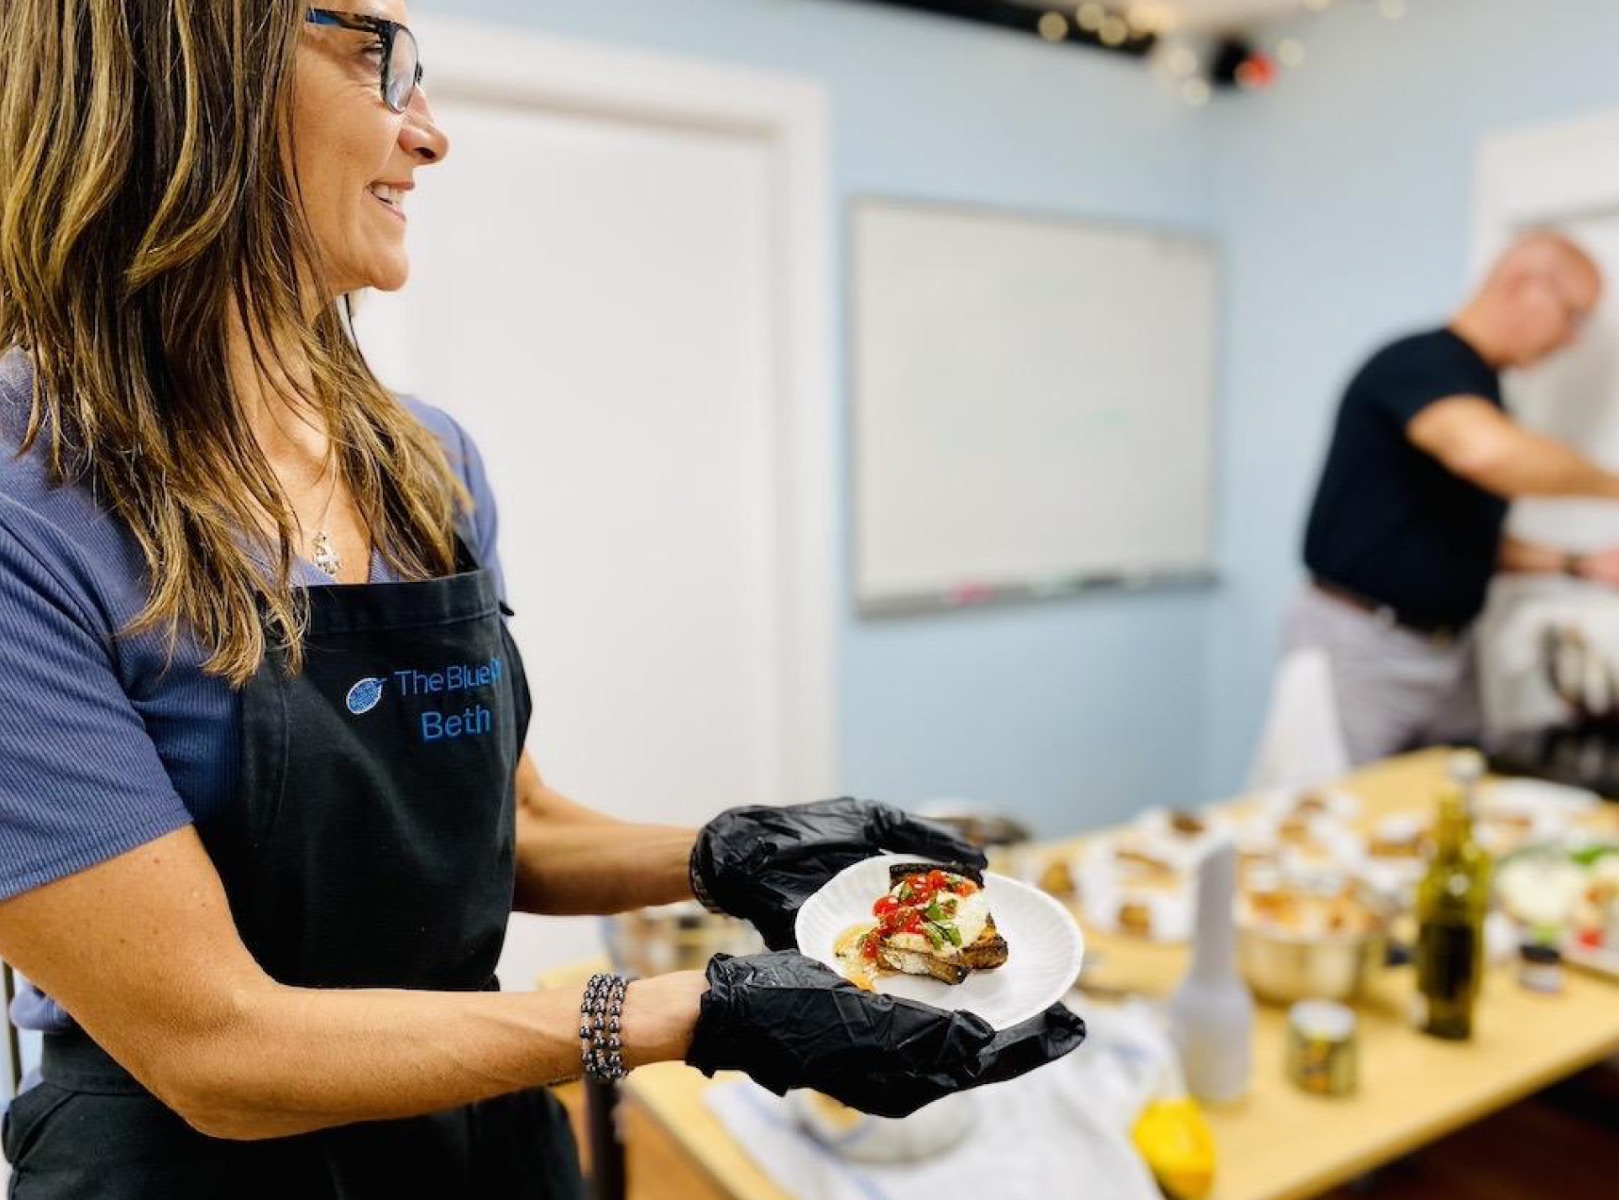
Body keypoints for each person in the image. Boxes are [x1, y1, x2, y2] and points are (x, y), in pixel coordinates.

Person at [0, 4, 1083, 1196]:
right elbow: (212, 1047)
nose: (429, 135)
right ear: (192, 67)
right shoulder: (31, 502)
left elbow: (509, 830)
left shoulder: (421, 461)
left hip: (473, 1121)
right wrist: (692, 1015)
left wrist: (735, 856)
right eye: (381, 59)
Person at [1288, 230, 1619, 766]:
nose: (1572, 340)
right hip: (1365, 649)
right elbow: (1488, 454)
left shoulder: (1483, 389)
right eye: (1574, 316)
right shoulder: (1418, 364)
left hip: (1450, 656)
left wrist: (1578, 565)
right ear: (1524, 286)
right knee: (1332, 822)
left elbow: (1455, 537)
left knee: (1456, 808)